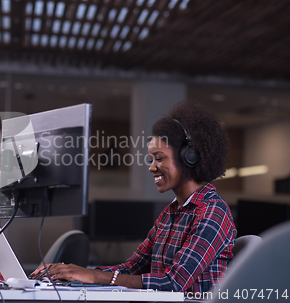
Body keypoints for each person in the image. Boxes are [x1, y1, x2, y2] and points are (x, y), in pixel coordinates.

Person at [31, 101, 237, 293]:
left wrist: (94, 276)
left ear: (189, 158)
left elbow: (174, 283)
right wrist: (73, 272)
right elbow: (133, 267)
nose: (151, 167)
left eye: (159, 158)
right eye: (151, 159)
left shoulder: (212, 212)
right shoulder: (169, 214)